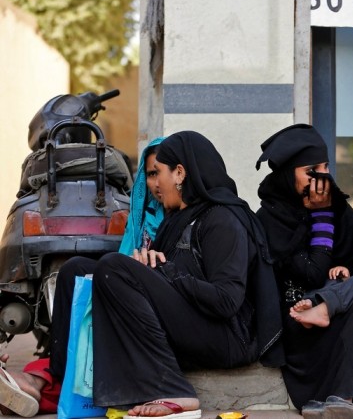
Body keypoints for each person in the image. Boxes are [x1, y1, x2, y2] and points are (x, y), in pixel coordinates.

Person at [0, 131, 282, 418]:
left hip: (227, 338)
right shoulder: (174, 222)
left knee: (114, 267)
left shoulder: (222, 219)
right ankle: (63, 382)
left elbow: (226, 301)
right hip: (191, 324)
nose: (154, 184)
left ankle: (173, 389)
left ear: (180, 173)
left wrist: (164, 271)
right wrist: (153, 271)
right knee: (76, 271)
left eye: (158, 173)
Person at [255, 124, 353, 417]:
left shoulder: (339, 211)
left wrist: (345, 275)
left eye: (325, 166)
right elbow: (311, 273)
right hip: (299, 323)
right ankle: (337, 395)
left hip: (339, 316)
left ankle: (344, 398)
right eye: (311, 170)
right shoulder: (271, 219)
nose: (322, 177)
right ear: (287, 173)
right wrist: (320, 216)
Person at [118, 136, 166, 255]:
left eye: (163, 172)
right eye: (152, 174)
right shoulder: (144, 213)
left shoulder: (189, 218)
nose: (157, 183)